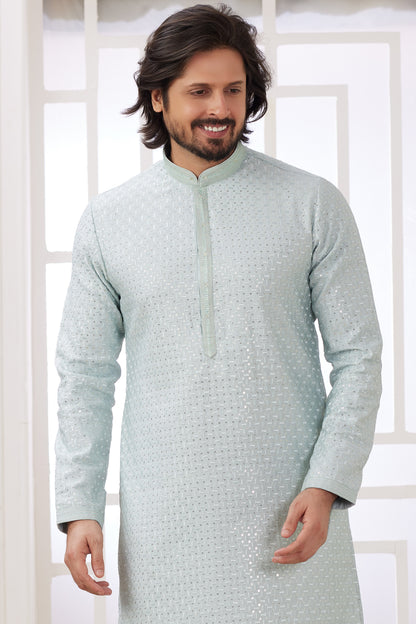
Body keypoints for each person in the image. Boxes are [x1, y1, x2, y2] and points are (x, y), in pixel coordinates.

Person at [55, 4, 382, 623]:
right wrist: (79, 508)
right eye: (199, 91)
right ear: (158, 98)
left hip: (293, 508)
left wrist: (329, 482)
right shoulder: (107, 222)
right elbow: (85, 377)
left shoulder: (311, 204)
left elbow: (359, 356)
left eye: (234, 90)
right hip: (165, 524)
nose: (221, 108)